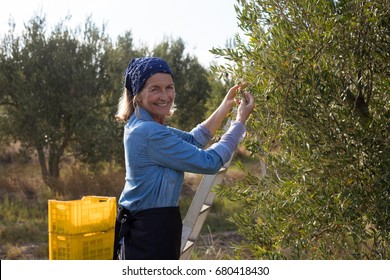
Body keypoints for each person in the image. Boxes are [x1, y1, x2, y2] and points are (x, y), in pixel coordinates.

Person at [113, 57, 255, 260]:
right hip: (149, 232)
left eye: (169, 87)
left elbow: (193, 140)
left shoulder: (143, 125)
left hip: (150, 226)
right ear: (138, 96)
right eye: (155, 89)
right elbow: (210, 162)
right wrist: (239, 123)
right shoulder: (149, 132)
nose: (165, 96)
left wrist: (226, 106)